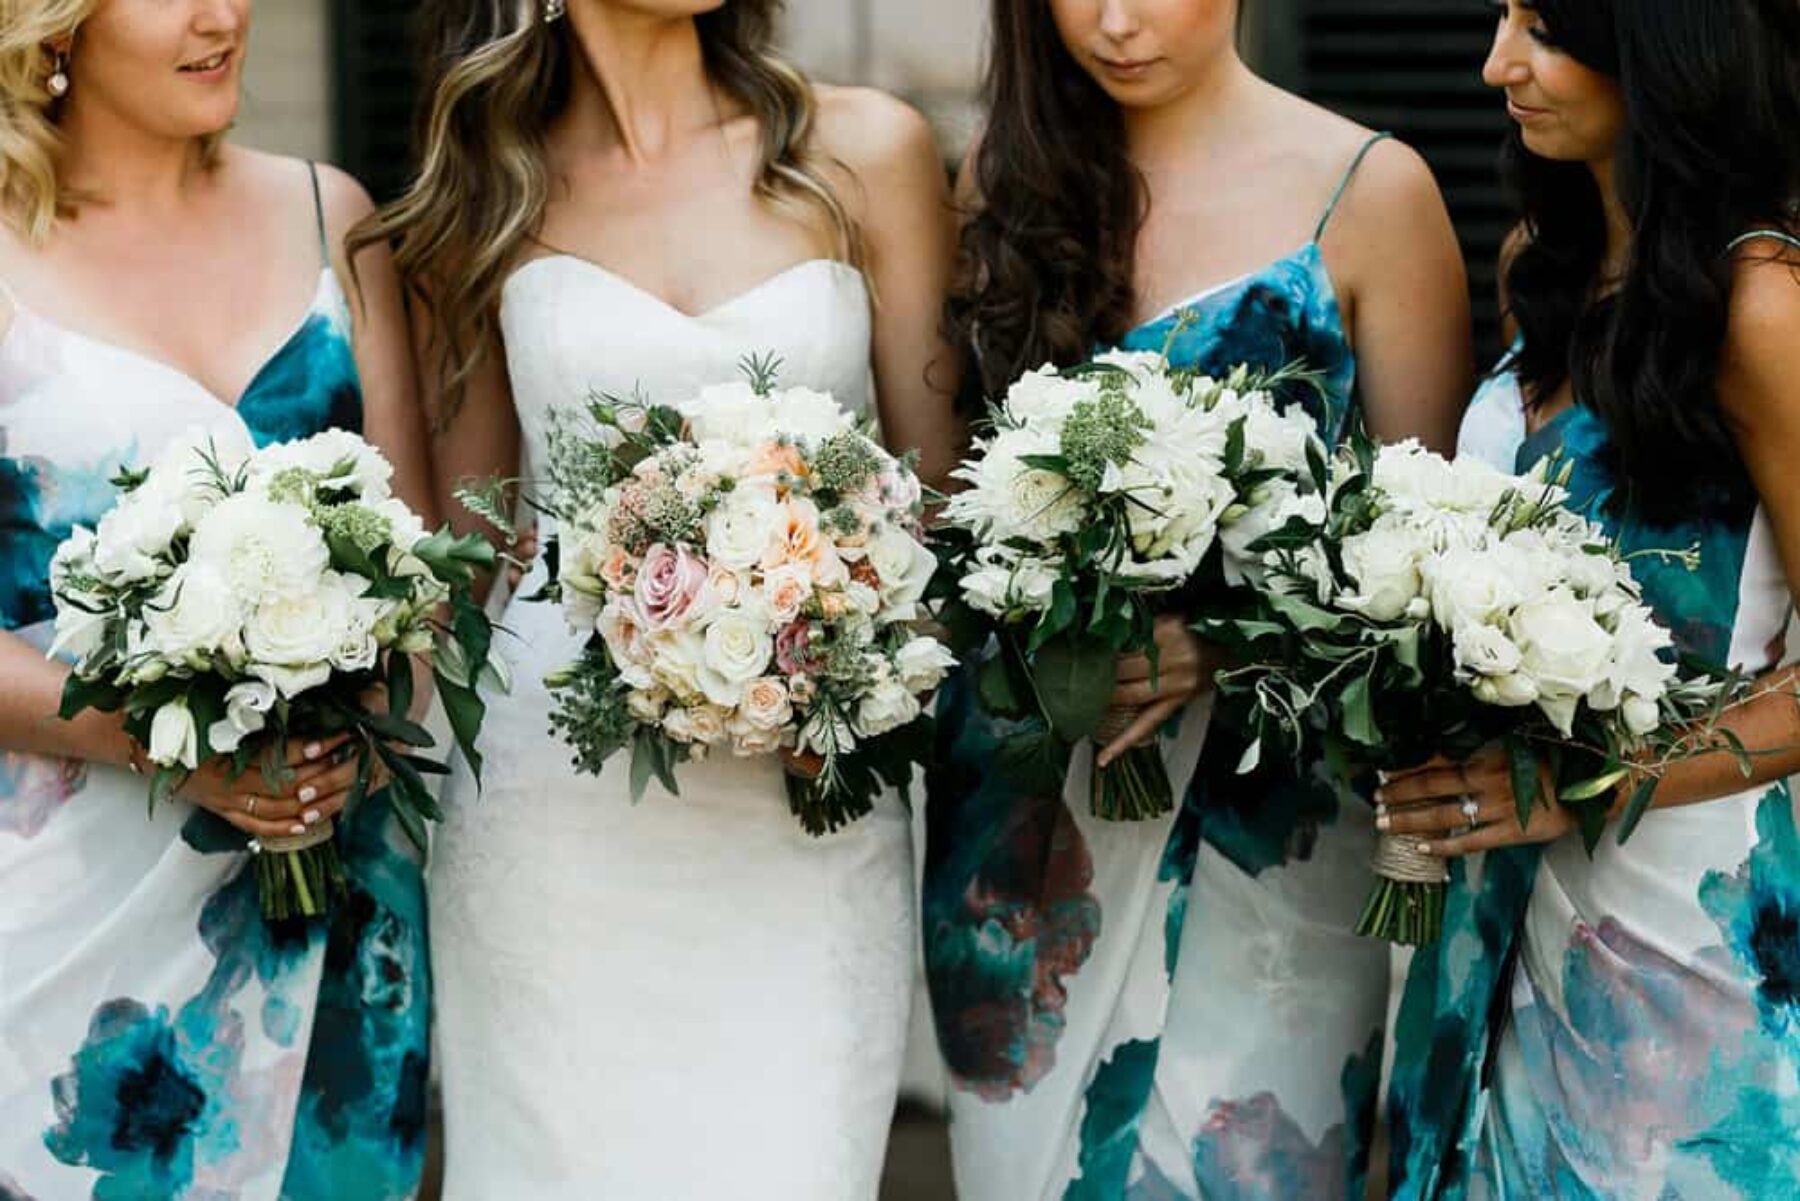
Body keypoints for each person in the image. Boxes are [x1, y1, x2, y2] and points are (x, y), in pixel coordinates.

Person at [353, 0, 963, 1195]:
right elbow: (466, 554)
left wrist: (843, 676)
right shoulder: (485, 199)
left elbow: (938, 500)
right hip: (553, 816)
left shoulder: (867, 154)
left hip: (807, 807)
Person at [924, 1, 1472, 1196]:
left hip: (1260, 832)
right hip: (1030, 832)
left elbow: (1431, 567)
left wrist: (1226, 643)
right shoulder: (1004, 185)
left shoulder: (1373, 191)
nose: (1116, 23)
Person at [0, 1, 437, 1197]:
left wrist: (359, 701)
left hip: (339, 902)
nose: (221, 15)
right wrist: (164, 736)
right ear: (54, 27)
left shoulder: (330, 213)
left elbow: (420, 557)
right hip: (71, 929)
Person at [1381, 0, 1800, 1195]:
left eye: (1546, 28)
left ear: (1664, 52)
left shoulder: (1764, 304)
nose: (1496, 63)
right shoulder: (1542, 268)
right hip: (1496, 897)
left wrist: (1593, 779)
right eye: (1501, 14)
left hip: (1681, 921)